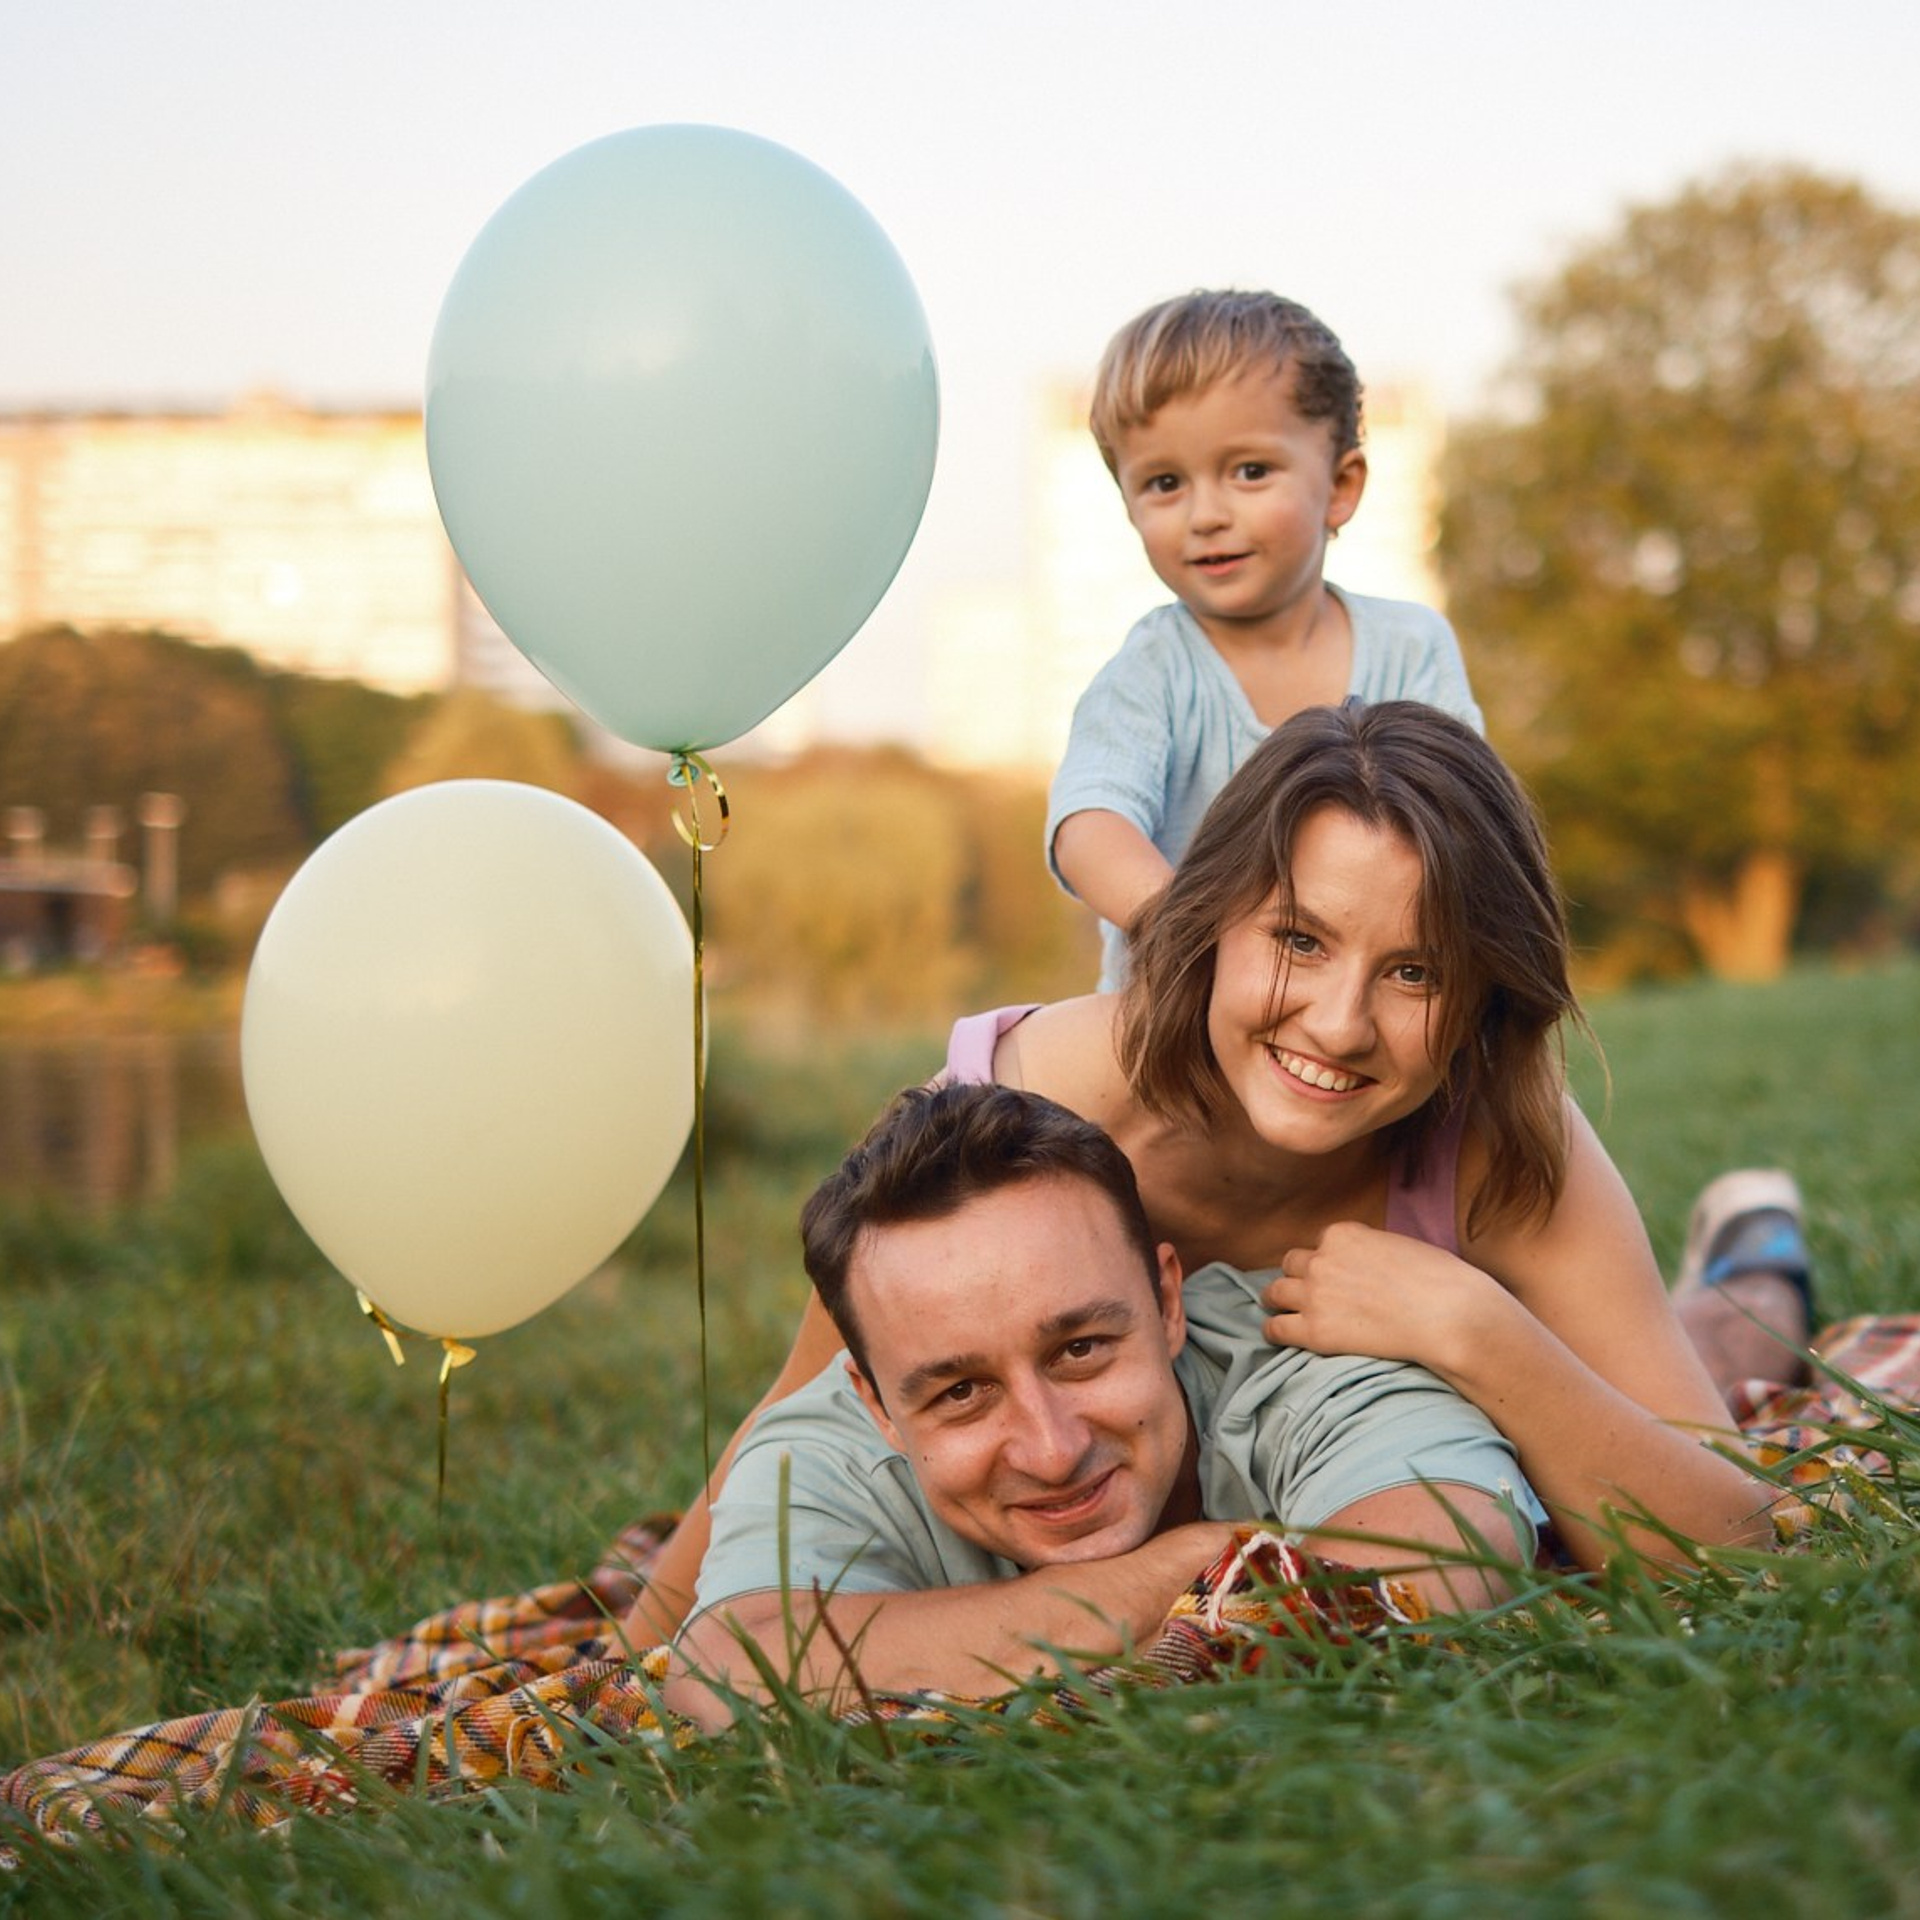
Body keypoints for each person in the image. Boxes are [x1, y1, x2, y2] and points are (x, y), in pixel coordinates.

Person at [626, 701, 1784, 1649]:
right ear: (1211, 919)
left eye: (1417, 973)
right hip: (1231, 1503)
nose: (1338, 1026)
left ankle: (1756, 1255)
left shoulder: (1502, 1145)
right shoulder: (1032, 1104)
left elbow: (1730, 1542)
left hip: (1431, 1437)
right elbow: (814, 1389)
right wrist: (641, 1648)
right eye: (1299, 941)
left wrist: (1477, 1329)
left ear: (1483, 998)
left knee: (1723, 1361)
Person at [665, 1080, 1538, 1727]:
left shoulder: (1307, 1349)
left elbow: (1442, 1560)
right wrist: (1186, 1566)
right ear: (877, 1406)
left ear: (1166, 1303)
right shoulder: (820, 1444)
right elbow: (723, 1673)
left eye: (1080, 1350)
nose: (1050, 1450)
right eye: (963, 1393)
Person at [1047, 289, 1482, 990]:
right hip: (1183, 1023)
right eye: (1164, 483)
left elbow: (1466, 822)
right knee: (1010, 1062)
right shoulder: (1153, 671)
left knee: (1525, 1089)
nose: (1207, 515)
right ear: (1126, 505)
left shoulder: (1412, 647)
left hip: (1361, 1009)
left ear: (1340, 487)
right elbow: (1088, 827)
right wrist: (1186, 928)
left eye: (1250, 472)